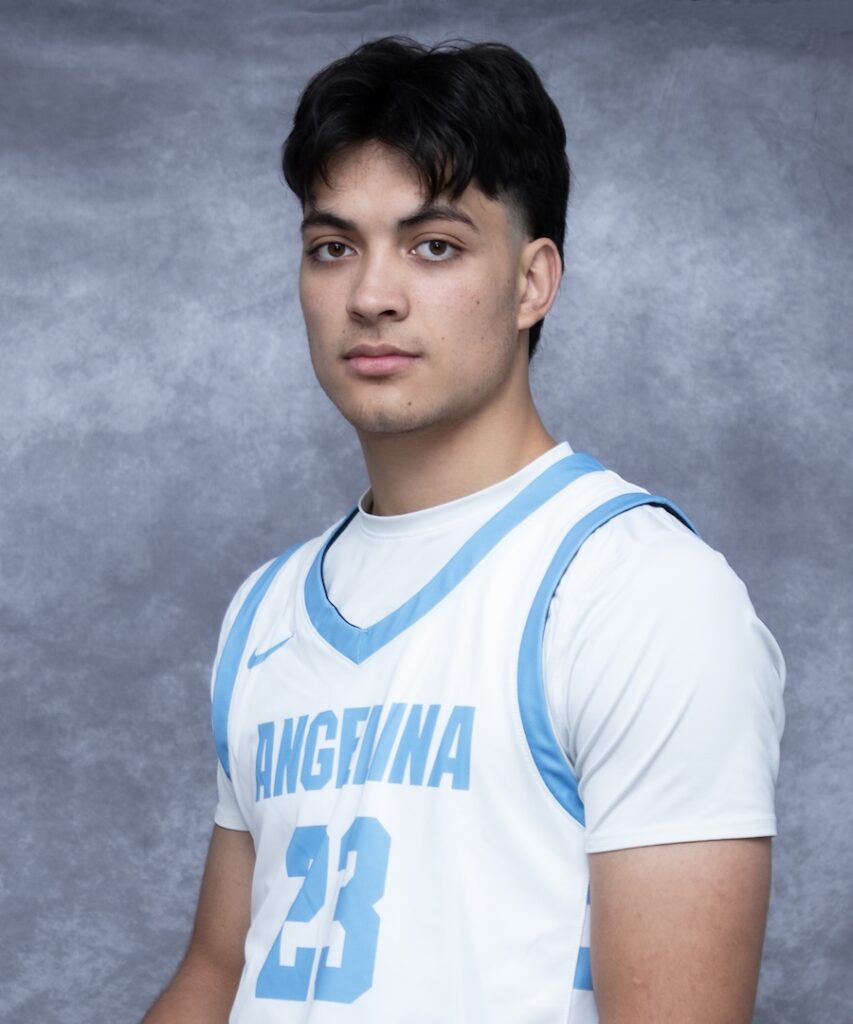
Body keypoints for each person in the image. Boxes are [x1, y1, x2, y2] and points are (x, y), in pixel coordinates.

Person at [143, 35, 786, 1024]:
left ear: (532, 282)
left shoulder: (636, 593)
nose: (371, 296)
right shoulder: (264, 609)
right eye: (333, 247)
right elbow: (218, 973)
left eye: (433, 245)